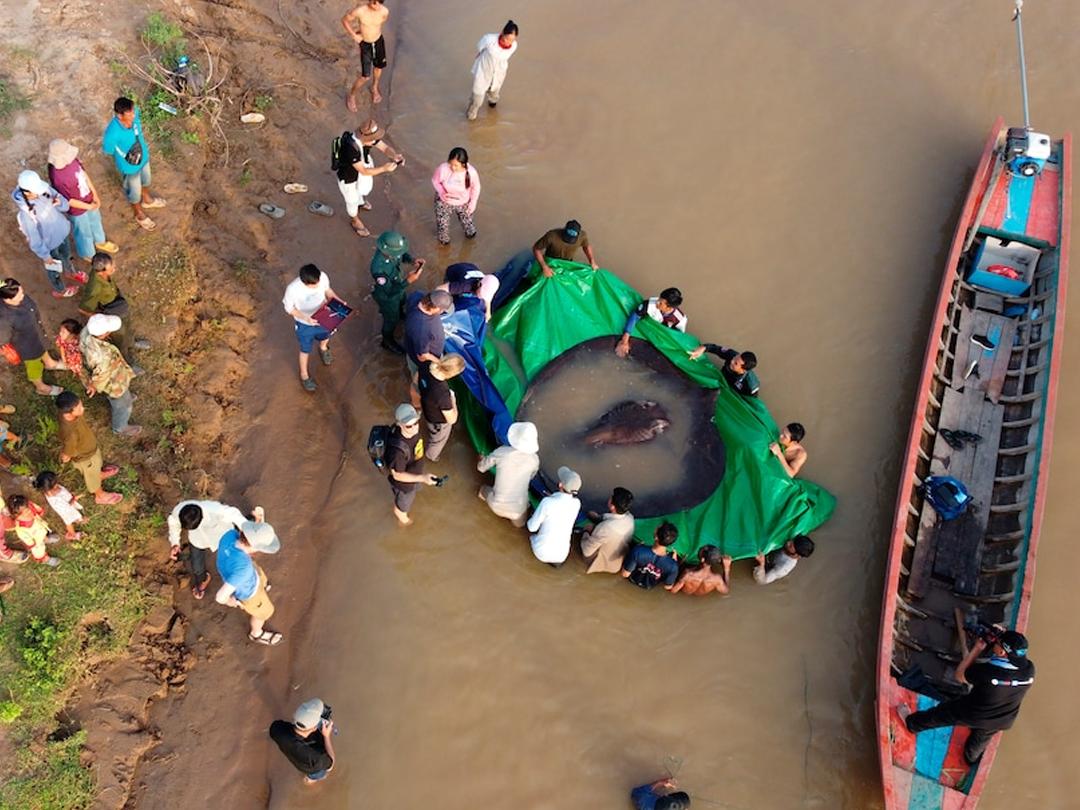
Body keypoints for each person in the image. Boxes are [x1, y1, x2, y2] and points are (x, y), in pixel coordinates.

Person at [899, 629, 1035, 765]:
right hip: (1003, 719)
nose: (995, 644)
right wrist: (1003, 636)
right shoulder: (1029, 670)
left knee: (942, 714)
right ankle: (971, 759)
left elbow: (960, 676)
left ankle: (912, 724)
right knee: (977, 744)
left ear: (1001, 652)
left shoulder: (986, 672)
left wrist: (977, 648)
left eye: (998, 643)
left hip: (973, 713)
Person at [46, 138, 119, 263]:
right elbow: (68, 200)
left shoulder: (73, 161)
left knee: (96, 221)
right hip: (77, 209)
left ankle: (100, 241)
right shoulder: (58, 177)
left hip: (89, 199)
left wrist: (95, 195)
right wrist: (88, 206)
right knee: (83, 231)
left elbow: (84, 175)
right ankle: (88, 253)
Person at [12, 169, 81, 298]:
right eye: (36, 191)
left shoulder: (44, 189)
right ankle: (60, 289)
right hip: (49, 246)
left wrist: (60, 204)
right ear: (26, 192)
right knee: (53, 269)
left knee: (66, 255)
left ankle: (70, 271)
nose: (40, 193)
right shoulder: (26, 215)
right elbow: (34, 238)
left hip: (62, 233)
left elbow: (64, 205)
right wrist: (45, 256)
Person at [214, 520, 283, 646]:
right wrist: (230, 601)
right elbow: (220, 597)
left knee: (259, 574)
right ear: (254, 547)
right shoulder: (243, 569)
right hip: (249, 592)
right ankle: (256, 634)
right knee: (265, 612)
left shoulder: (229, 534)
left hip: (234, 570)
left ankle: (263, 585)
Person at [102, 97, 166, 231]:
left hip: (143, 158)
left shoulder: (134, 112)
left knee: (147, 180)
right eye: (129, 113)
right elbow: (108, 150)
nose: (133, 114)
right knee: (134, 192)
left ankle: (147, 200)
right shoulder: (111, 133)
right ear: (119, 115)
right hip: (129, 166)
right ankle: (139, 213)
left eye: (133, 110)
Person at [281, 263, 347, 392]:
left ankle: (323, 348)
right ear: (304, 282)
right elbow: (289, 309)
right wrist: (306, 318)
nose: (317, 286)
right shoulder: (292, 289)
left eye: (318, 282)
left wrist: (338, 301)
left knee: (327, 334)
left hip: (324, 315)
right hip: (305, 324)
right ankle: (304, 375)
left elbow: (328, 291)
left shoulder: (322, 277)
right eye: (313, 285)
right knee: (305, 349)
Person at [167, 500, 248, 600]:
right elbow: (173, 523)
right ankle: (203, 579)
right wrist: (175, 543)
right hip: (197, 540)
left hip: (223, 537)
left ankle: (238, 582)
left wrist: (246, 530)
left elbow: (233, 513)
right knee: (197, 567)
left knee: (234, 562)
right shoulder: (178, 511)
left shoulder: (214, 509)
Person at [335, 118, 402, 237]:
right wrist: (384, 168)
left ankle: (361, 202)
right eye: (374, 139)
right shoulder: (350, 147)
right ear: (366, 138)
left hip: (361, 166)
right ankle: (355, 220)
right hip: (348, 177)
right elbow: (364, 171)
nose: (376, 141)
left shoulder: (368, 138)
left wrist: (394, 156)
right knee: (351, 199)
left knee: (362, 190)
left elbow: (385, 148)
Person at [0, 279, 68, 396]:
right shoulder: (5, 318)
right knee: (34, 366)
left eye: (22, 291)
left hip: (36, 334)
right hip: (27, 347)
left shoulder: (20, 299)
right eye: (19, 295)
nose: (23, 295)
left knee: (42, 346)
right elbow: (3, 339)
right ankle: (40, 387)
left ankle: (50, 363)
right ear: (8, 299)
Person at [79, 253, 148, 366]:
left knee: (127, 326)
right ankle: (127, 362)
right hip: (110, 311)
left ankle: (132, 342)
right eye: (111, 269)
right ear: (101, 271)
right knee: (120, 338)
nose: (115, 269)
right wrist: (101, 318)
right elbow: (83, 308)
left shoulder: (101, 274)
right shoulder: (95, 288)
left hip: (117, 304)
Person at [55, 391, 123, 506]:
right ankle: (100, 495)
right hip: (85, 458)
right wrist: (66, 456)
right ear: (69, 413)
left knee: (97, 463)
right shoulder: (70, 433)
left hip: (91, 449)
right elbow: (68, 451)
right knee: (92, 477)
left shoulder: (70, 415)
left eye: (81, 405)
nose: (83, 409)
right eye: (79, 408)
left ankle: (99, 474)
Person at [80, 314, 140, 436]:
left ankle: (125, 397)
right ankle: (120, 427)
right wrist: (94, 386)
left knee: (123, 394)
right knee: (123, 404)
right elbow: (101, 377)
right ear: (103, 334)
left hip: (114, 373)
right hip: (113, 382)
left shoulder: (86, 332)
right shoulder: (102, 356)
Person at [371, 230, 426, 355]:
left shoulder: (392, 251)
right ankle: (387, 340)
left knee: (402, 300)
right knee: (391, 319)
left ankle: (401, 314)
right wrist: (408, 281)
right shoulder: (378, 268)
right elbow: (389, 291)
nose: (398, 254)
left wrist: (412, 260)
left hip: (398, 284)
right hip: (387, 296)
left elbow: (401, 254)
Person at [385, 404, 442, 526]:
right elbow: (397, 476)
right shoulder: (397, 452)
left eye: (416, 423)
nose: (414, 428)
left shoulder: (412, 432)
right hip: (404, 487)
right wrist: (422, 478)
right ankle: (404, 524)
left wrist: (422, 477)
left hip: (415, 474)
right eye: (409, 425)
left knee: (415, 490)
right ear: (399, 425)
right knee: (401, 510)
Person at [477, 421, 540, 528]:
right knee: (520, 525)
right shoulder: (534, 460)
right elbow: (531, 477)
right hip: (517, 511)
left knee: (482, 490)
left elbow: (481, 468)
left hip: (495, 505)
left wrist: (481, 459)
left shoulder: (501, 452)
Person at [269, 698, 336, 784]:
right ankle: (311, 780)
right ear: (314, 727)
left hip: (296, 759)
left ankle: (308, 779)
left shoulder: (277, 728)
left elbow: (276, 731)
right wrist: (326, 736)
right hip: (313, 769)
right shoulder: (317, 759)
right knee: (317, 776)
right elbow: (331, 765)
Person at [404, 289, 454, 402]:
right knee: (419, 379)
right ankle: (417, 397)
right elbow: (422, 355)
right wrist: (439, 362)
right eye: (442, 310)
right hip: (423, 361)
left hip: (411, 342)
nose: (442, 312)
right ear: (435, 308)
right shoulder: (422, 328)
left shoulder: (417, 296)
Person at [526, 466, 582, 567]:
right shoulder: (577, 504)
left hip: (541, 552)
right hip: (561, 556)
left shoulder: (547, 502)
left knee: (530, 520)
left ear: (560, 484)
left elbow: (531, 527)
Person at [342, 0, 390, 110]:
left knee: (378, 68)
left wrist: (364, 30)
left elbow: (377, 24)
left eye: (379, 2)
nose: (377, 5)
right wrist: (354, 35)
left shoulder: (384, 11)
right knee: (365, 76)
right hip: (366, 45)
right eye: (374, 2)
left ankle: (374, 88)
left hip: (378, 42)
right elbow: (345, 20)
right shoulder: (360, 11)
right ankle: (352, 95)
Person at [467, 21, 519, 120]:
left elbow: (504, 56)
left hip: (499, 72)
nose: (509, 42)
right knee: (477, 98)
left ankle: (492, 106)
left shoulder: (514, 46)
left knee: (494, 93)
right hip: (484, 70)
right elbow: (480, 47)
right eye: (507, 38)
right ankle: (471, 116)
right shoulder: (489, 39)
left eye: (512, 40)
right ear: (503, 32)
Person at [615, 288, 687, 357]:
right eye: (659, 299)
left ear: (669, 308)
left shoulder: (680, 320)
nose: (657, 302)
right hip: (648, 331)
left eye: (661, 303)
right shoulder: (651, 304)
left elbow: (678, 337)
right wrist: (624, 341)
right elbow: (635, 316)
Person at [419, 353, 464, 462]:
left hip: (427, 409)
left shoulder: (426, 366)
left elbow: (416, 380)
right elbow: (452, 420)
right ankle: (431, 456)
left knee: (431, 430)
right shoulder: (443, 394)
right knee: (437, 441)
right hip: (438, 423)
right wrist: (453, 399)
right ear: (451, 373)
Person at [580, 487, 635, 574]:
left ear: (612, 506)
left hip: (602, 563)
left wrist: (586, 533)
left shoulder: (605, 528)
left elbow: (587, 551)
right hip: (617, 563)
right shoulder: (630, 518)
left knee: (589, 527)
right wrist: (599, 519)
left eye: (611, 497)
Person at [431, 147, 481, 245]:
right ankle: (444, 249)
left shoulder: (471, 172)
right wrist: (441, 192)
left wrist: (472, 204)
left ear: (463, 164)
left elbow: (476, 188)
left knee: (469, 229)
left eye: (456, 165)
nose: (453, 167)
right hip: (444, 201)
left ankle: (471, 244)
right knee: (443, 230)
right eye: (451, 164)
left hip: (463, 202)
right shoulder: (443, 168)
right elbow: (435, 181)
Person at [7, 493, 61, 566]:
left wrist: (38, 511)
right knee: (39, 550)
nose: (29, 512)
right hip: (36, 542)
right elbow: (27, 539)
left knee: (43, 534)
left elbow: (35, 507)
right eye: (26, 512)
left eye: (28, 508)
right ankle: (44, 559)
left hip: (40, 530)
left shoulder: (28, 507)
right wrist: (33, 545)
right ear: (16, 515)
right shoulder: (21, 528)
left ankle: (46, 539)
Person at [621, 523, 680, 590]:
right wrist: (674, 562)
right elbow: (667, 587)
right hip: (648, 588)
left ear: (656, 537)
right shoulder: (673, 566)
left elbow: (625, 574)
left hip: (631, 581)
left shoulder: (638, 551)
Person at [688, 342, 760, 397]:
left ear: (743, 370)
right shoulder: (732, 355)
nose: (732, 361)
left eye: (736, 363)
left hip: (732, 391)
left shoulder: (751, 385)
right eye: (736, 357)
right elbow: (715, 348)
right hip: (722, 377)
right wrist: (702, 349)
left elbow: (750, 399)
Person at [532, 220, 600, 277]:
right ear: (564, 230)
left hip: (567, 263)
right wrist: (544, 267)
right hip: (551, 262)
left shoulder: (583, 236)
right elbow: (536, 248)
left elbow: (586, 246)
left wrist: (592, 261)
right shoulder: (551, 235)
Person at [33, 471, 84, 542]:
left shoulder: (50, 489)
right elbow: (67, 506)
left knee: (73, 515)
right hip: (65, 510)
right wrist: (74, 498)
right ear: (49, 488)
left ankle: (77, 519)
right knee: (68, 521)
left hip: (67, 504)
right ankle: (72, 534)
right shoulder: (55, 499)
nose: (57, 484)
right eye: (55, 484)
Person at [55, 319, 89, 388]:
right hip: (71, 358)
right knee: (81, 371)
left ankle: (89, 383)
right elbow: (62, 348)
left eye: (63, 332)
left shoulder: (78, 340)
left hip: (79, 357)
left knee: (84, 369)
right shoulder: (62, 339)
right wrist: (64, 360)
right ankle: (86, 381)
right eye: (60, 330)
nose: (60, 333)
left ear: (72, 334)